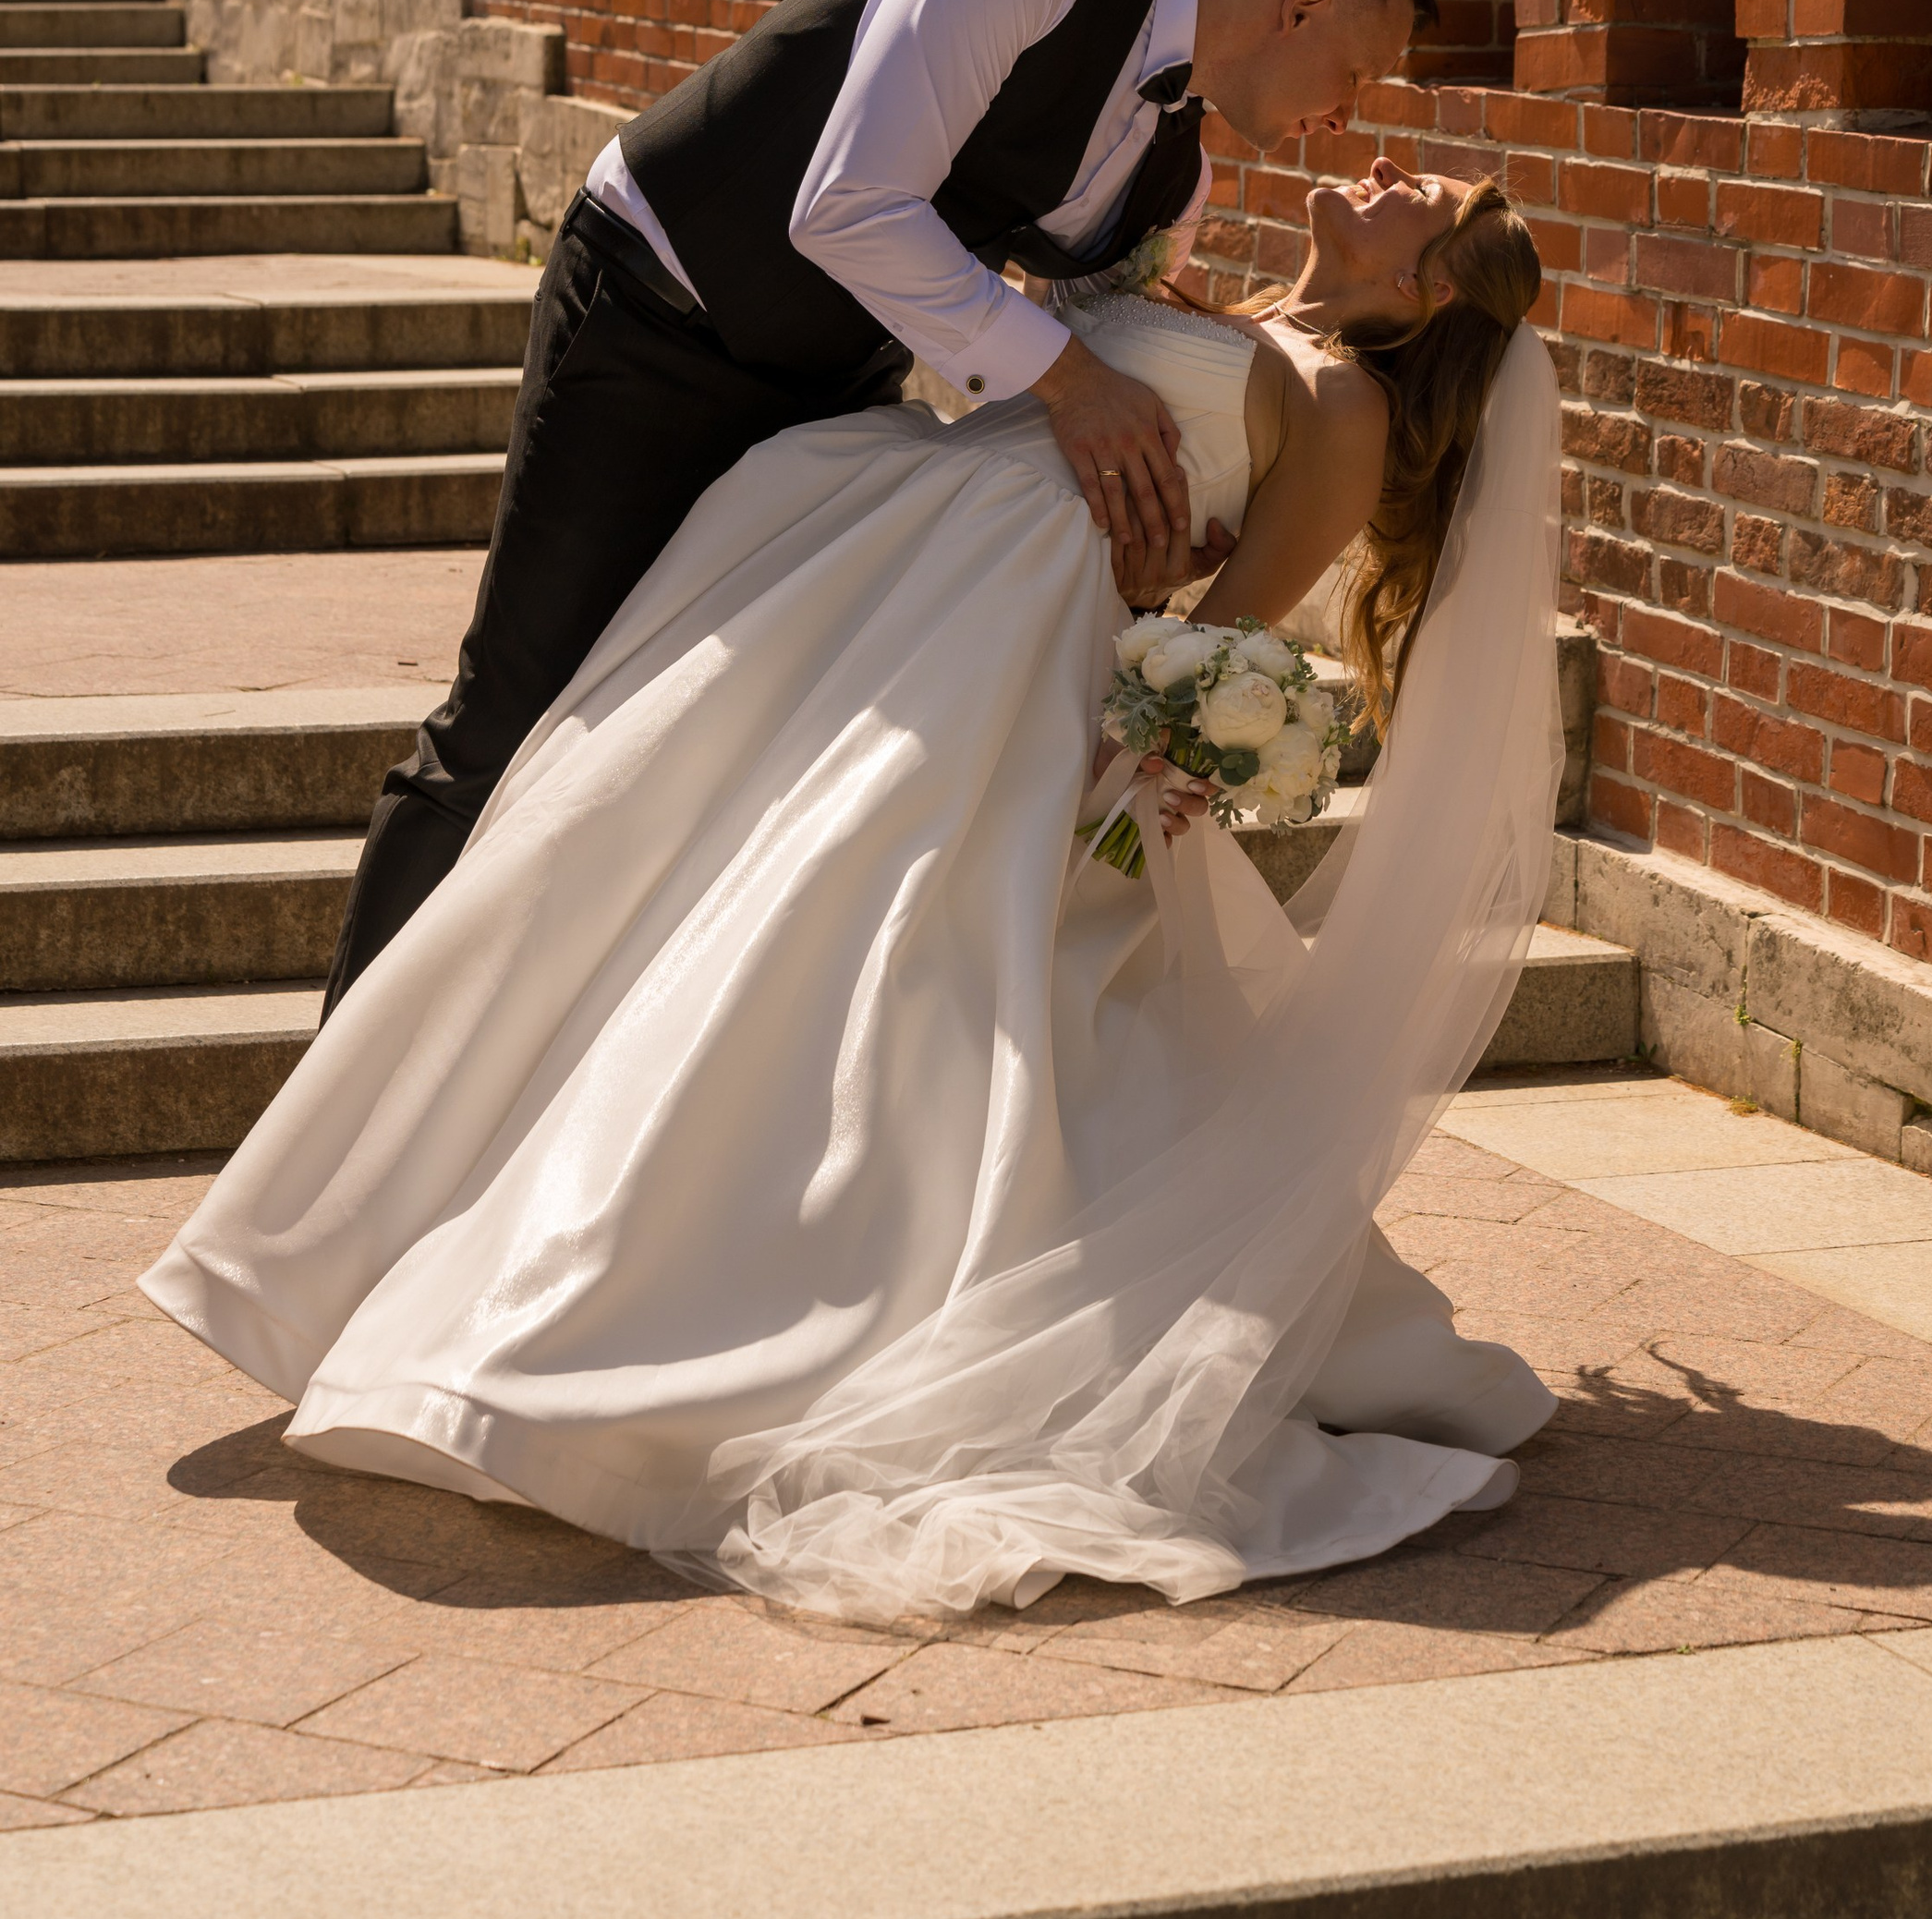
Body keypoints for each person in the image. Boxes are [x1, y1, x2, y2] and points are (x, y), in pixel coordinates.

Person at [144, 158, 1564, 1623]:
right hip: (897, 561)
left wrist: (1125, 711)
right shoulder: (1247, 301)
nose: (1393, 166)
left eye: (1430, 193)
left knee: (870, 949)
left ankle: (724, 1302)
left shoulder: (1344, 401)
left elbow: (1229, 629)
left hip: (1004, 640)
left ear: (1435, 283)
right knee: (662, 866)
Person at [324, 0, 1435, 1008]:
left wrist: (1139, 548)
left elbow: (1101, 357)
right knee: (513, 711)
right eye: (1358, 72)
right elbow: (848, 206)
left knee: (715, 744)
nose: (1348, 116)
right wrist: (1073, 385)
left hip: (838, 398)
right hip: (659, 311)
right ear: (1300, 7)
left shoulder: (1171, 181)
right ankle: (342, 1110)